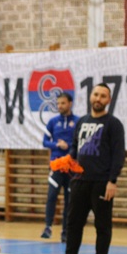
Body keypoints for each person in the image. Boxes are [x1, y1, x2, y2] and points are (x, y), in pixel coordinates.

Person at [48, 83, 126, 254]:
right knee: (73, 224)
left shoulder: (113, 124)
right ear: (91, 96)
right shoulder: (82, 121)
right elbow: (75, 149)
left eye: (103, 96)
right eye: (96, 94)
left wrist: (112, 181)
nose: (98, 99)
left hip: (101, 182)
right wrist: (67, 162)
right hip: (79, 181)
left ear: (108, 100)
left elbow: (118, 155)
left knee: (102, 225)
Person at [41, 93, 79, 243]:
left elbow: (80, 143)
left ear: (70, 103)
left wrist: (68, 146)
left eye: (63, 103)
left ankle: (66, 231)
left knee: (70, 201)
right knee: (51, 196)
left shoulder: (77, 122)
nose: (60, 106)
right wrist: (57, 145)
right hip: (56, 166)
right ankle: (48, 227)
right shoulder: (52, 122)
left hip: (71, 167)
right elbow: (45, 142)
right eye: (58, 103)